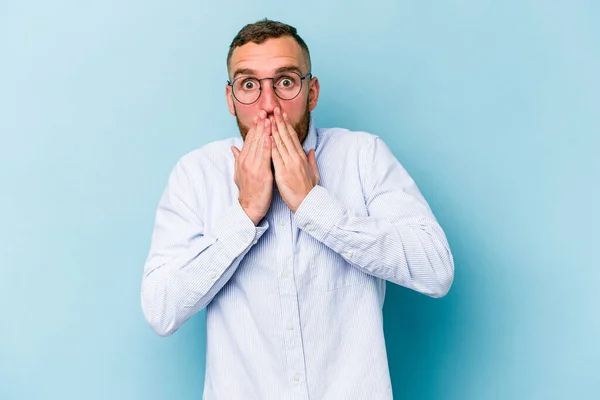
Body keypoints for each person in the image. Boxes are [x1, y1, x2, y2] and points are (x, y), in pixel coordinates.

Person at [141, 18, 454, 400]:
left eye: (286, 81)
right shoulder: (196, 174)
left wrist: (314, 206)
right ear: (230, 98)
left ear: (312, 91)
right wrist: (243, 215)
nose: (268, 105)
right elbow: (160, 308)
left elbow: (436, 269)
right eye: (249, 85)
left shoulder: (363, 156)